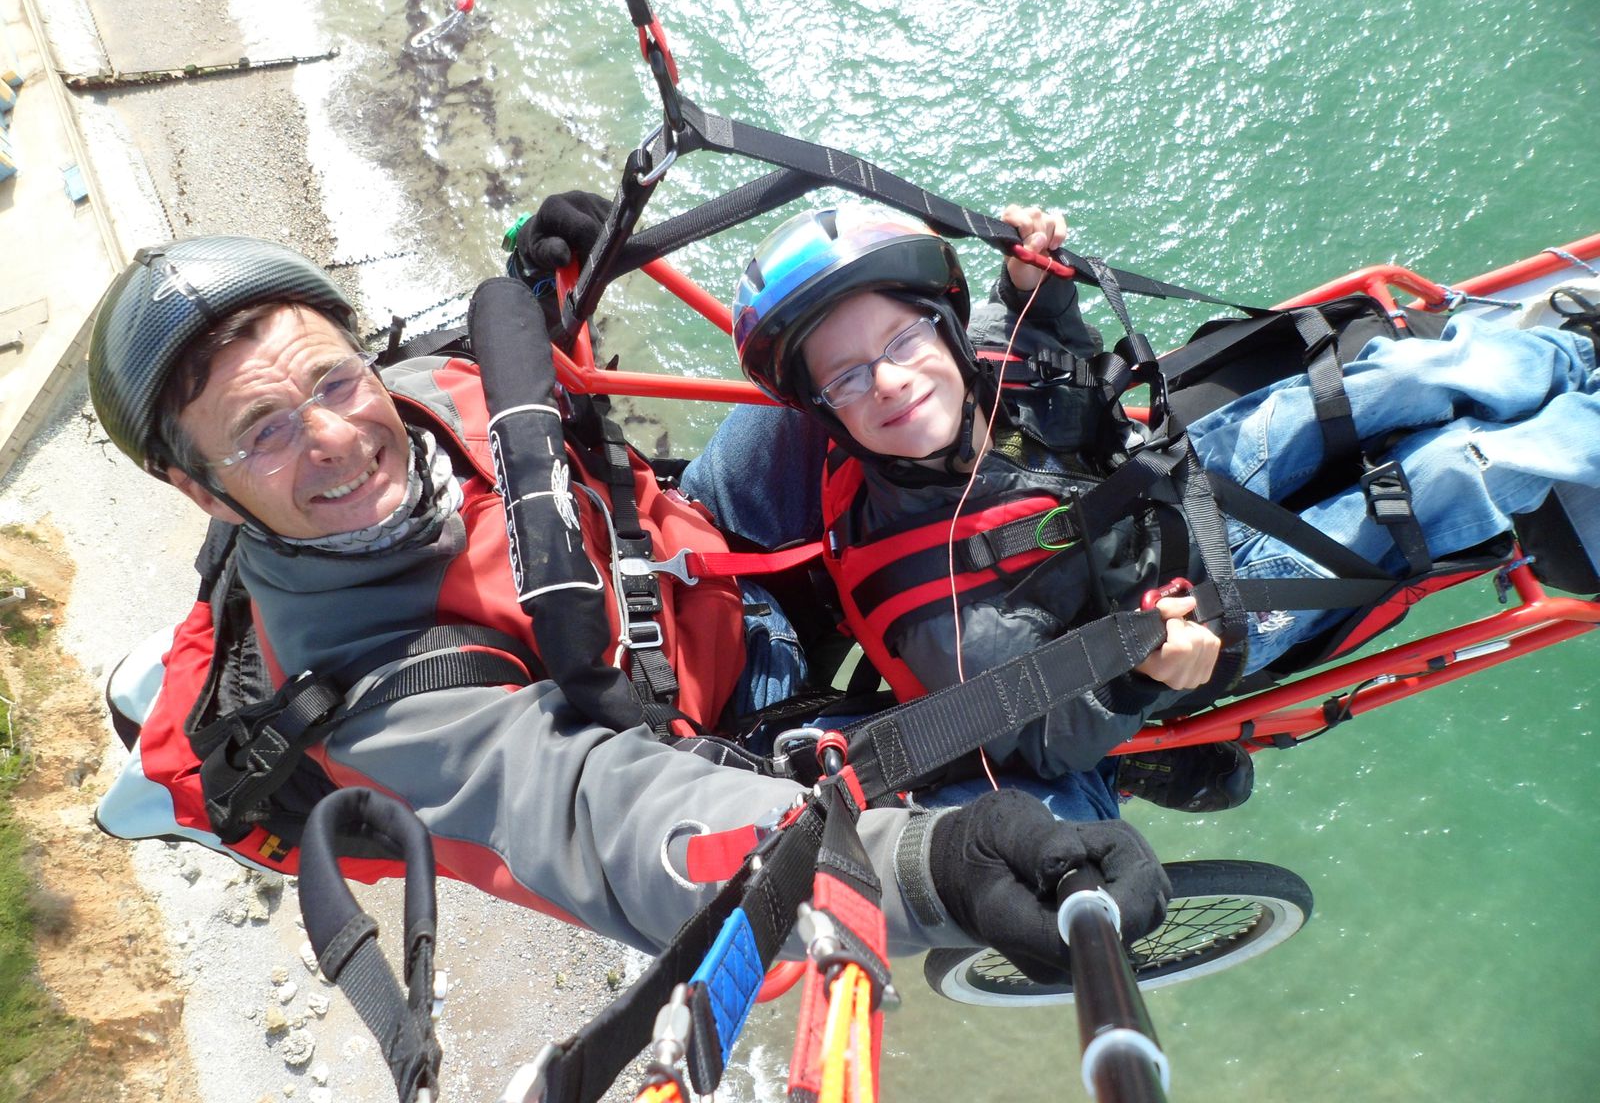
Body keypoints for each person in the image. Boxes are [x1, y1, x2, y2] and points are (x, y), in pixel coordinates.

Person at [85, 234, 1173, 977]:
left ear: (360, 354)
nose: (333, 438)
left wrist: (567, 282)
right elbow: (616, 824)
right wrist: (929, 868)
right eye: (263, 432)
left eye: (330, 382)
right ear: (199, 491)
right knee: (1060, 820)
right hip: (727, 730)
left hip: (702, 556)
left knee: (848, 345)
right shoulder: (383, 700)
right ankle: (1133, 738)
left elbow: (555, 413)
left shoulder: (428, 394)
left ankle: (1045, 380)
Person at [687, 201, 1600, 812]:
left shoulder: (981, 367)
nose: (889, 380)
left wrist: (1035, 291)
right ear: (823, 414)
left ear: (943, 323)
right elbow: (1044, 740)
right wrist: (1139, 677)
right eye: (848, 378)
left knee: (1397, 376)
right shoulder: (942, 622)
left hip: (1172, 483)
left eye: (902, 338)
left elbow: (1052, 360)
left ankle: (1572, 354)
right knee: (1440, 480)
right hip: (1193, 615)